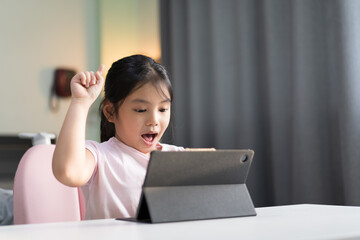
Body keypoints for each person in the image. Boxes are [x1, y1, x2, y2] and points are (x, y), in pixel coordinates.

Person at [52, 55, 184, 220]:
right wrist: (80, 102)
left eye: (163, 109)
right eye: (141, 110)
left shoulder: (178, 158)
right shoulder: (100, 157)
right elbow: (68, 172)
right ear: (110, 112)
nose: (154, 120)